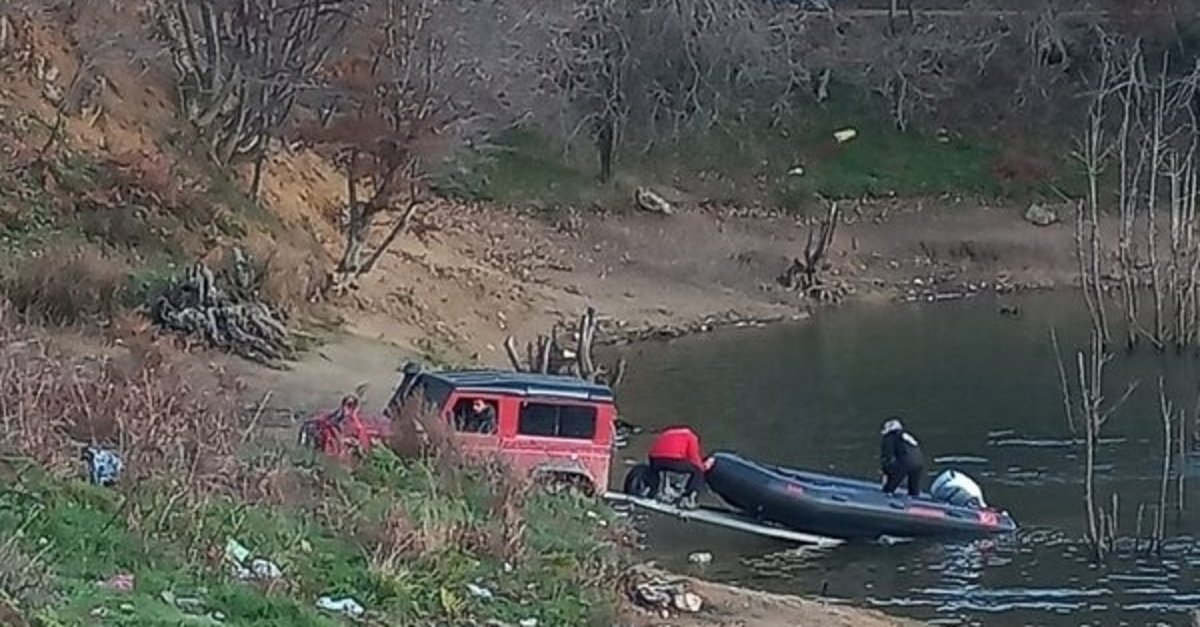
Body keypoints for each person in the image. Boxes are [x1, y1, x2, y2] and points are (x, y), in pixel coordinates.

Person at [647, 426, 707, 508]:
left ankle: (653, 490)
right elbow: (694, 457)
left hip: (655, 459)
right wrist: (702, 468)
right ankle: (689, 497)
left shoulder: (667, 433)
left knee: (657, 470)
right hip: (673, 460)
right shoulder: (691, 437)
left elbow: (654, 450)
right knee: (697, 471)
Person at [880, 417, 924, 497]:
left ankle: (887, 495)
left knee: (889, 488)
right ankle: (914, 498)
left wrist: (886, 472)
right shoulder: (907, 435)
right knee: (914, 491)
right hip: (919, 463)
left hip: (905, 463)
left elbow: (888, 456)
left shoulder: (890, 436)